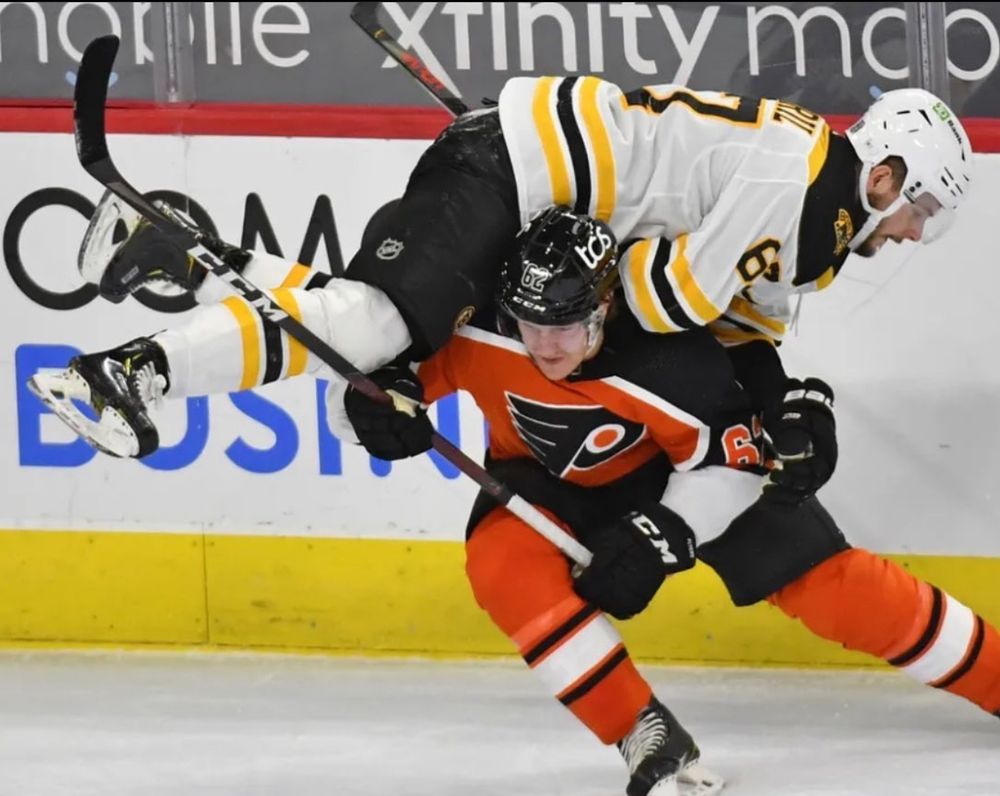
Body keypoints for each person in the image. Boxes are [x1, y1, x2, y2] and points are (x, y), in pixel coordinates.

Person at [29, 79, 970, 502]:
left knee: (379, 336)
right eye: (921, 203)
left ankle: (174, 249)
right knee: (377, 323)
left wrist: (788, 397)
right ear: (884, 172)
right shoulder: (803, 187)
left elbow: (741, 324)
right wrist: (585, 291)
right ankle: (130, 374)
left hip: (536, 173)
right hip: (513, 170)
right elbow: (675, 300)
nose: (918, 228)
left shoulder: (816, 210)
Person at [335, 207, 999, 795]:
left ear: (605, 307)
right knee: (502, 566)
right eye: (529, 324)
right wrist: (375, 408)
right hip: (545, 479)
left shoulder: (670, 360)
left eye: (565, 326)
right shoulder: (481, 329)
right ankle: (640, 730)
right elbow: (379, 369)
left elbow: (731, 464)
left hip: (676, 474)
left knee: (831, 585)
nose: (544, 347)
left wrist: (665, 533)